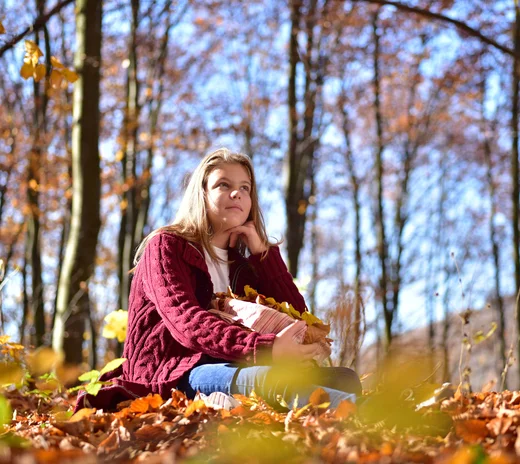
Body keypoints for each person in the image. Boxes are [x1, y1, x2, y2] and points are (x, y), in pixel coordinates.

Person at [75, 148, 361, 412]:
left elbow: (300, 319)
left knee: (344, 378)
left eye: (244, 188)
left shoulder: (243, 267)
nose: (236, 193)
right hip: (173, 369)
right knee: (268, 379)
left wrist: (264, 256)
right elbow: (187, 323)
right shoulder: (166, 246)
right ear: (201, 194)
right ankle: (362, 417)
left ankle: (343, 413)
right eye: (224, 185)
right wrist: (265, 348)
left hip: (231, 364)